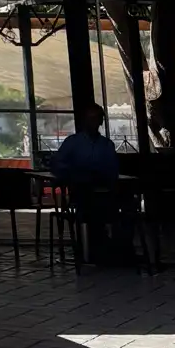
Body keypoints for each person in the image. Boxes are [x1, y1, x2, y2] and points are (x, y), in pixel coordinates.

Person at [51, 103, 129, 266]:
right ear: (84, 121)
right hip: (82, 191)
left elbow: (113, 170)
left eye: (97, 118)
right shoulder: (72, 143)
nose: (94, 122)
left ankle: (116, 248)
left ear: (101, 121)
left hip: (104, 191)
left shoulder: (107, 145)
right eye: (91, 118)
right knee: (89, 204)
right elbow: (57, 164)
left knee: (126, 205)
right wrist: (75, 172)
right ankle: (93, 247)